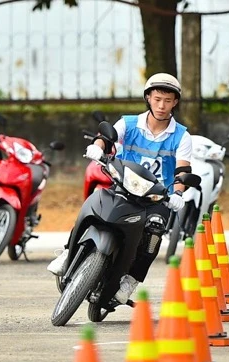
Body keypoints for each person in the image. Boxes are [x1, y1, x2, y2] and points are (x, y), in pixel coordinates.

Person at [47, 73, 191, 304]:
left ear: (175, 102)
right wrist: (97, 147)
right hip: (123, 186)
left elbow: (182, 170)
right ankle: (68, 252)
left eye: (167, 100)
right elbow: (106, 138)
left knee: (155, 232)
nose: (161, 105)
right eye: (157, 99)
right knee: (93, 204)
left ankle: (131, 280)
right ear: (148, 98)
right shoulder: (128, 123)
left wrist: (178, 193)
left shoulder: (182, 136)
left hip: (156, 197)